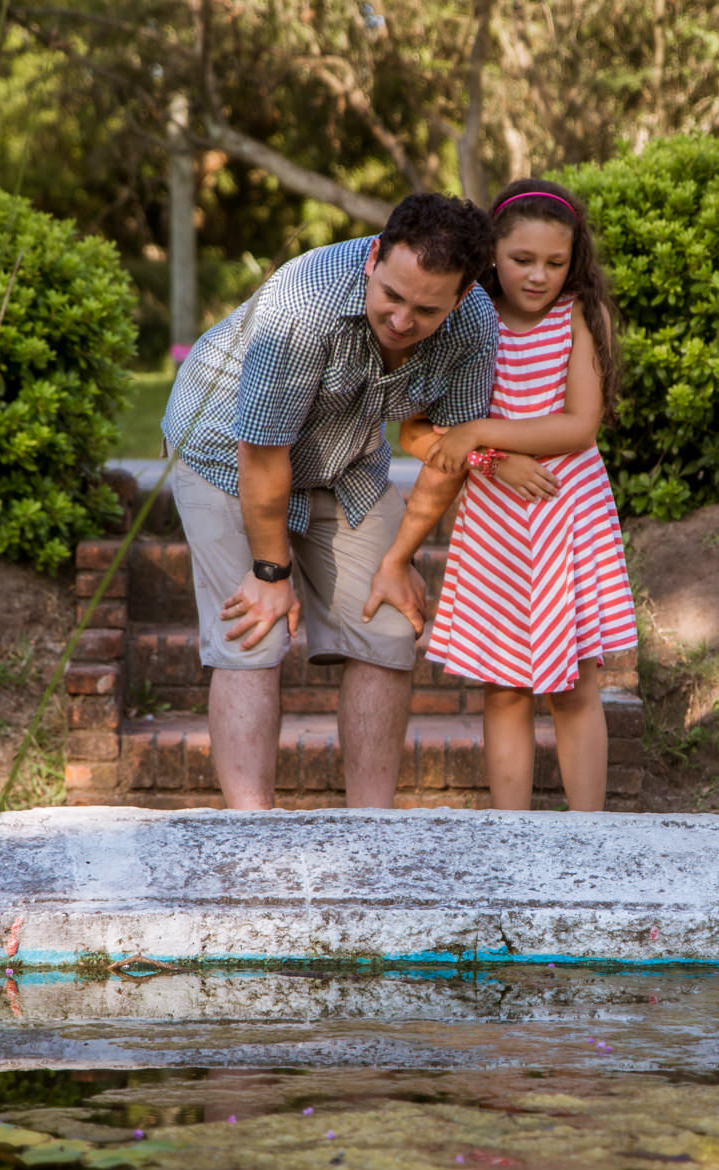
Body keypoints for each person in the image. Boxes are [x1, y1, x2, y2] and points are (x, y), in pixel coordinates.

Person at [160, 194, 499, 810]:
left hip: (344, 460)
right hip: (223, 452)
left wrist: (398, 560)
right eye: (392, 296)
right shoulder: (303, 302)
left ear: (462, 294)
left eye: (426, 309)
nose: (401, 320)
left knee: (389, 627)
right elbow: (262, 455)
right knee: (252, 635)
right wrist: (271, 573)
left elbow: (454, 446)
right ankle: (251, 837)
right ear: (374, 257)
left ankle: (369, 831)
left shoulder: (476, 325)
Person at [388, 178, 638, 811]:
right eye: (522, 260)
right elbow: (417, 435)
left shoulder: (581, 314)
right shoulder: (466, 315)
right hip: (496, 521)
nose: (538, 276)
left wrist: (476, 429)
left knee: (575, 686)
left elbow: (579, 425)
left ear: (573, 259)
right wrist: (493, 458)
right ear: (492, 253)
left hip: (568, 511)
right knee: (504, 688)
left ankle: (589, 834)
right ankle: (512, 836)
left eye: (555, 262)